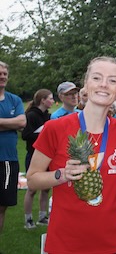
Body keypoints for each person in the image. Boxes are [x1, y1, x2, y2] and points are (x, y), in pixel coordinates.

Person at [26, 57, 116, 254]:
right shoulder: (55, 128)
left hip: (114, 242)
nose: (103, 85)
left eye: (113, 80)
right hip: (65, 242)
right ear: (86, 84)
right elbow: (32, 180)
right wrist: (61, 175)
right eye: (97, 78)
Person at [0, 61, 27, 235]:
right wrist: (10, 124)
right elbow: (16, 123)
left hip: (7, 161)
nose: (2, 76)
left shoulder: (14, 99)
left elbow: (22, 122)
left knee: (2, 207)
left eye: (4, 74)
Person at [22, 89, 54, 229]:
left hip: (46, 157)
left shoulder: (48, 116)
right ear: (43, 100)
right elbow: (26, 135)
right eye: (51, 98)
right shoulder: (31, 115)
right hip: (33, 155)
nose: (53, 101)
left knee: (46, 188)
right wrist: (42, 136)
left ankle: (42, 216)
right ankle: (28, 219)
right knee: (32, 189)